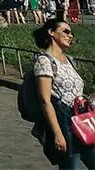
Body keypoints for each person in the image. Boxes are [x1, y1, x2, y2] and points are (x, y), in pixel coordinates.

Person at [28, 18, 95, 167]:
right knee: (72, 166)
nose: (70, 35)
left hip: (82, 120)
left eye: (71, 32)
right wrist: (58, 134)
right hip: (65, 123)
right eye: (65, 31)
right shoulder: (44, 61)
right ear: (51, 33)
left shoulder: (69, 60)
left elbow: (76, 92)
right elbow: (45, 100)